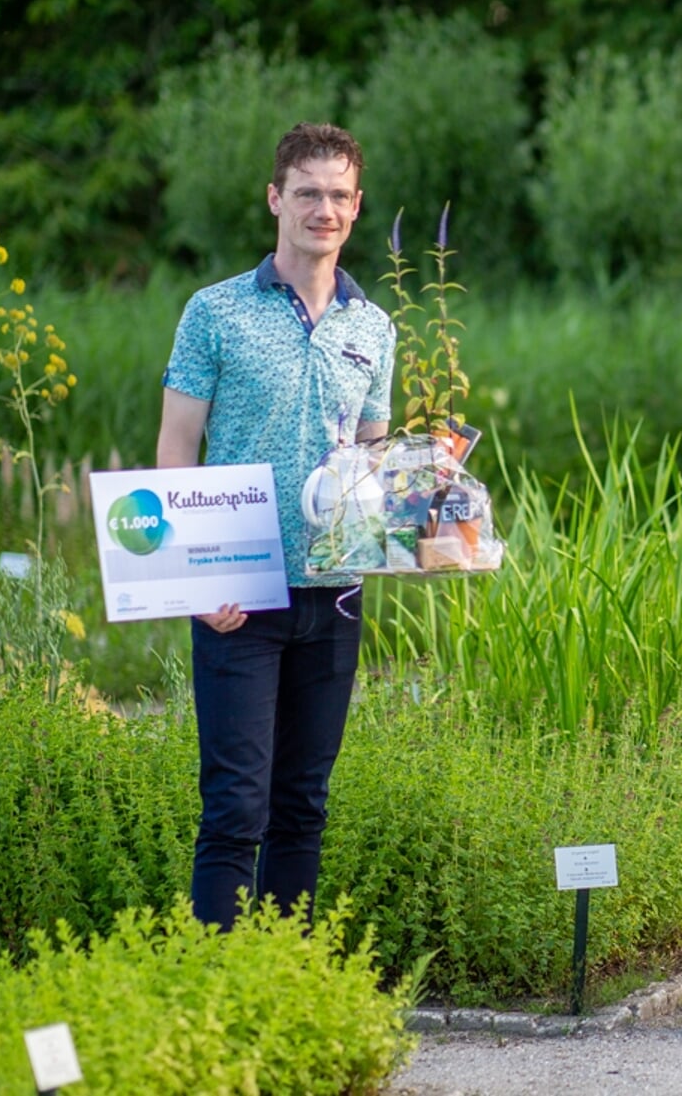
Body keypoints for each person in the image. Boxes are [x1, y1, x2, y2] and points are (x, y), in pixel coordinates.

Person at [156, 122, 395, 930]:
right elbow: (176, 448)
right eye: (306, 193)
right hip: (239, 591)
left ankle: (286, 980)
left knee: (303, 802)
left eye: (337, 195)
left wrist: (423, 500)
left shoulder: (374, 326)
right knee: (234, 806)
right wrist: (197, 579)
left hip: (334, 594)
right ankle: (219, 990)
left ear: (356, 207)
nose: (321, 209)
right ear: (275, 199)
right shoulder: (214, 312)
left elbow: (371, 454)